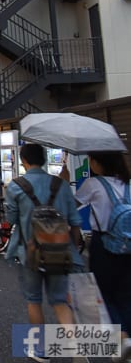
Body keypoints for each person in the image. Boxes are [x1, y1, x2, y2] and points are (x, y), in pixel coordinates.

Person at [5, 143, 83, 360]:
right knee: (60, 300)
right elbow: (75, 222)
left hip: (29, 252)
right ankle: (77, 347)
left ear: (24, 161)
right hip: (60, 250)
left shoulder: (16, 186)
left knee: (34, 299)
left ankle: (40, 350)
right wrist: (72, 250)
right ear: (45, 159)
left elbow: (10, 220)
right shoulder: (61, 185)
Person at [74, 151, 131, 357]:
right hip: (128, 245)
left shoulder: (93, 184)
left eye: (91, 159)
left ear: (98, 163)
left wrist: (63, 182)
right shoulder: (127, 184)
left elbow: (74, 206)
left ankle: (122, 337)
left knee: (104, 294)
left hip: (103, 244)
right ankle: (128, 338)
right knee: (125, 296)